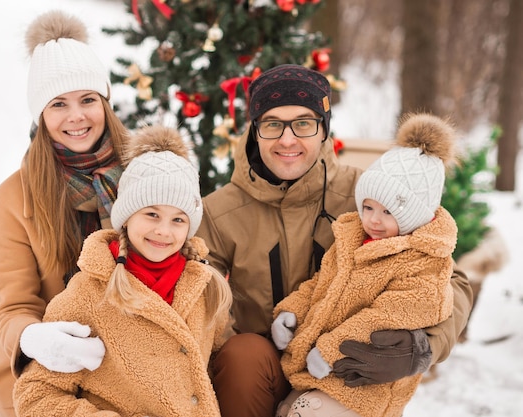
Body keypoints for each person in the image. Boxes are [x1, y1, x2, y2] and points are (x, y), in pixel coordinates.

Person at [196, 64, 474, 417]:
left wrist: (421, 347)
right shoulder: (217, 213)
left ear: (324, 130)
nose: (287, 139)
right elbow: (200, 299)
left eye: (303, 123)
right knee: (242, 353)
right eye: (271, 124)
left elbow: (450, 278)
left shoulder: (371, 196)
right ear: (255, 131)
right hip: (257, 372)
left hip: (343, 372)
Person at [12, 125, 233, 417]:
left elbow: (211, 373)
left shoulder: (203, 287)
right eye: (151, 214)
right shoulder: (87, 294)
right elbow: (35, 396)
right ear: (126, 218)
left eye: (178, 220)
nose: (163, 231)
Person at [0, 10, 130, 417]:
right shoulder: (14, 198)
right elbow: (12, 309)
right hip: (48, 370)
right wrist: (34, 338)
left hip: (133, 357)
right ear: (41, 116)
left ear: (105, 103)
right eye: (58, 104)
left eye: (88, 100)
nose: (76, 116)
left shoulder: (143, 175)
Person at [271, 113, 458, 417]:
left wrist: (331, 350)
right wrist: (291, 311)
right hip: (323, 372)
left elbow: (382, 318)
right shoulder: (354, 239)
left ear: (415, 215)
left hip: (366, 384)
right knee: (287, 410)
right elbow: (321, 285)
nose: (373, 219)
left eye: (388, 211)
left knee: (306, 411)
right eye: (368, 207)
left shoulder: (425, 263)